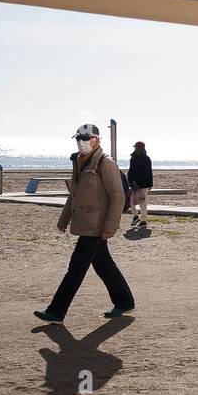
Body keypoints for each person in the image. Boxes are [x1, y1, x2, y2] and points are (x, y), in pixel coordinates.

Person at [33, 123, 135, 324]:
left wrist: (109, 227)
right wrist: (64, 219)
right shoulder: (79, 162)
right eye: (79, 139)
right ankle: (124, 301)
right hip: (86, 224)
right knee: (103, 265)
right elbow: (75, 195)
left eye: (87, 139)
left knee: (76, 267)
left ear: (97, 140)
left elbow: (118, 197)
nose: (82, 143)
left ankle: (56, 312)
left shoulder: (106, 164)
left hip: (97, 226)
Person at [127, 141, 153, 228]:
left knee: (132, 201)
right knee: (143, 202)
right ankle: (143, 220)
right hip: (145, 183)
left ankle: (135, 217)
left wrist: (130, 181)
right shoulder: (147, 158)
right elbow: (150, 172)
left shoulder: (134, 158)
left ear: (136, 148)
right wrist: (150, 184)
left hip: (136, 184)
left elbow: (131, 171)